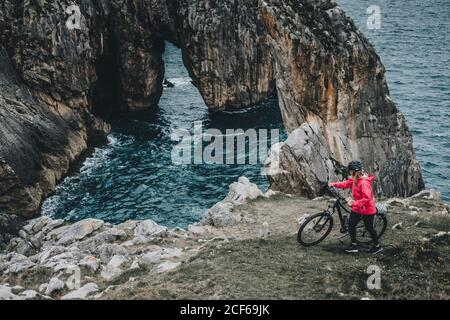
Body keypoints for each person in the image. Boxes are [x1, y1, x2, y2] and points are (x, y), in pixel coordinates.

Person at [329, 161, 383, 255]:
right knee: (351, 224)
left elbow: (367, 198)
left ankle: (377, 246)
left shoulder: (363, 183)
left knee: (369, 227)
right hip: (358, 207)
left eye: (350, 171)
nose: (349, 173)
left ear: (353, 171)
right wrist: (334, 184)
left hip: (367, 209)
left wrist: (354, 203)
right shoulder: (356, 179)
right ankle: (354, 245)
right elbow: (347, 183)